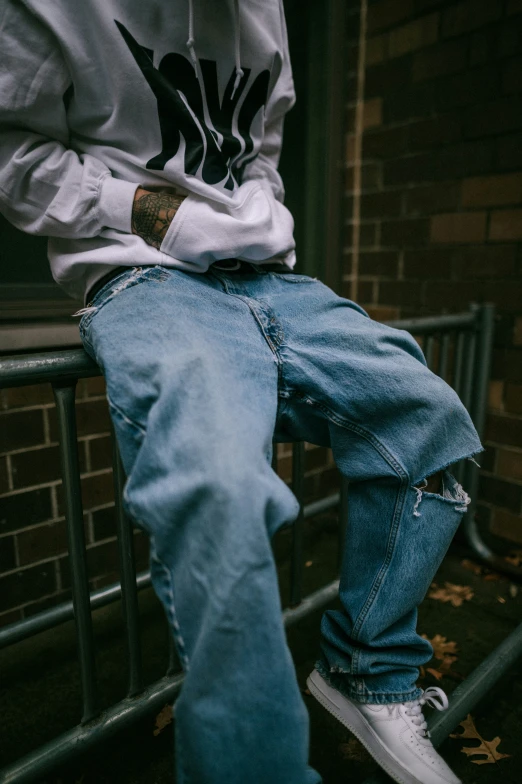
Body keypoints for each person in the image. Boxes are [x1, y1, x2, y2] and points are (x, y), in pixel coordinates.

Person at [0, 2, 482, 782]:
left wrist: (261, 217)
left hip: (268, 278)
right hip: (141, 278)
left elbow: (257, 147)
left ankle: (368, 672)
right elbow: (12, 157)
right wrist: (157, 215)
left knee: (428, 419)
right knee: (221, 488)